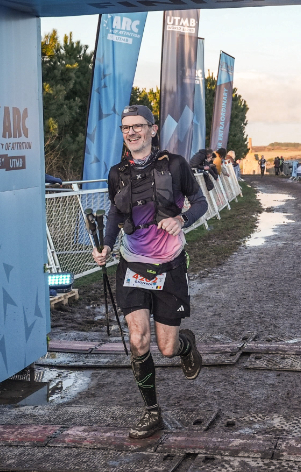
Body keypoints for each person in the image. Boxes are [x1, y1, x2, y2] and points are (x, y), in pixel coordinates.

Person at [92, 105, 208, 439]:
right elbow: (115, 213)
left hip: (170, 264)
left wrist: (182, 219)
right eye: (125, 127)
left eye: (138, 126)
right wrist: (106, 245)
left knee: (166, 347)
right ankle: (151, 411)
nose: (131, 132)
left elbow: (200, 202)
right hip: (132, 263)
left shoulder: (176, 165)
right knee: (138, 339)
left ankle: (185, 346)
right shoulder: (117, 173)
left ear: (153, 130)